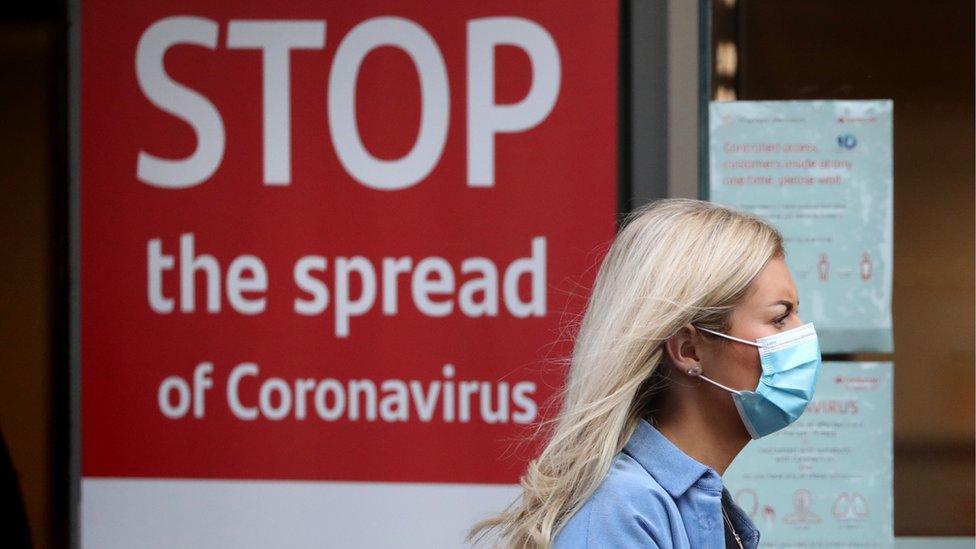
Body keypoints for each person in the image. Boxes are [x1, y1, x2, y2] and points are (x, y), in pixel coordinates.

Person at [466, 198, 822, 548]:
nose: (801, 333)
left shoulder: (693, 506)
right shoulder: (621, 514)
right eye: (780, 317)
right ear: (689, 349)